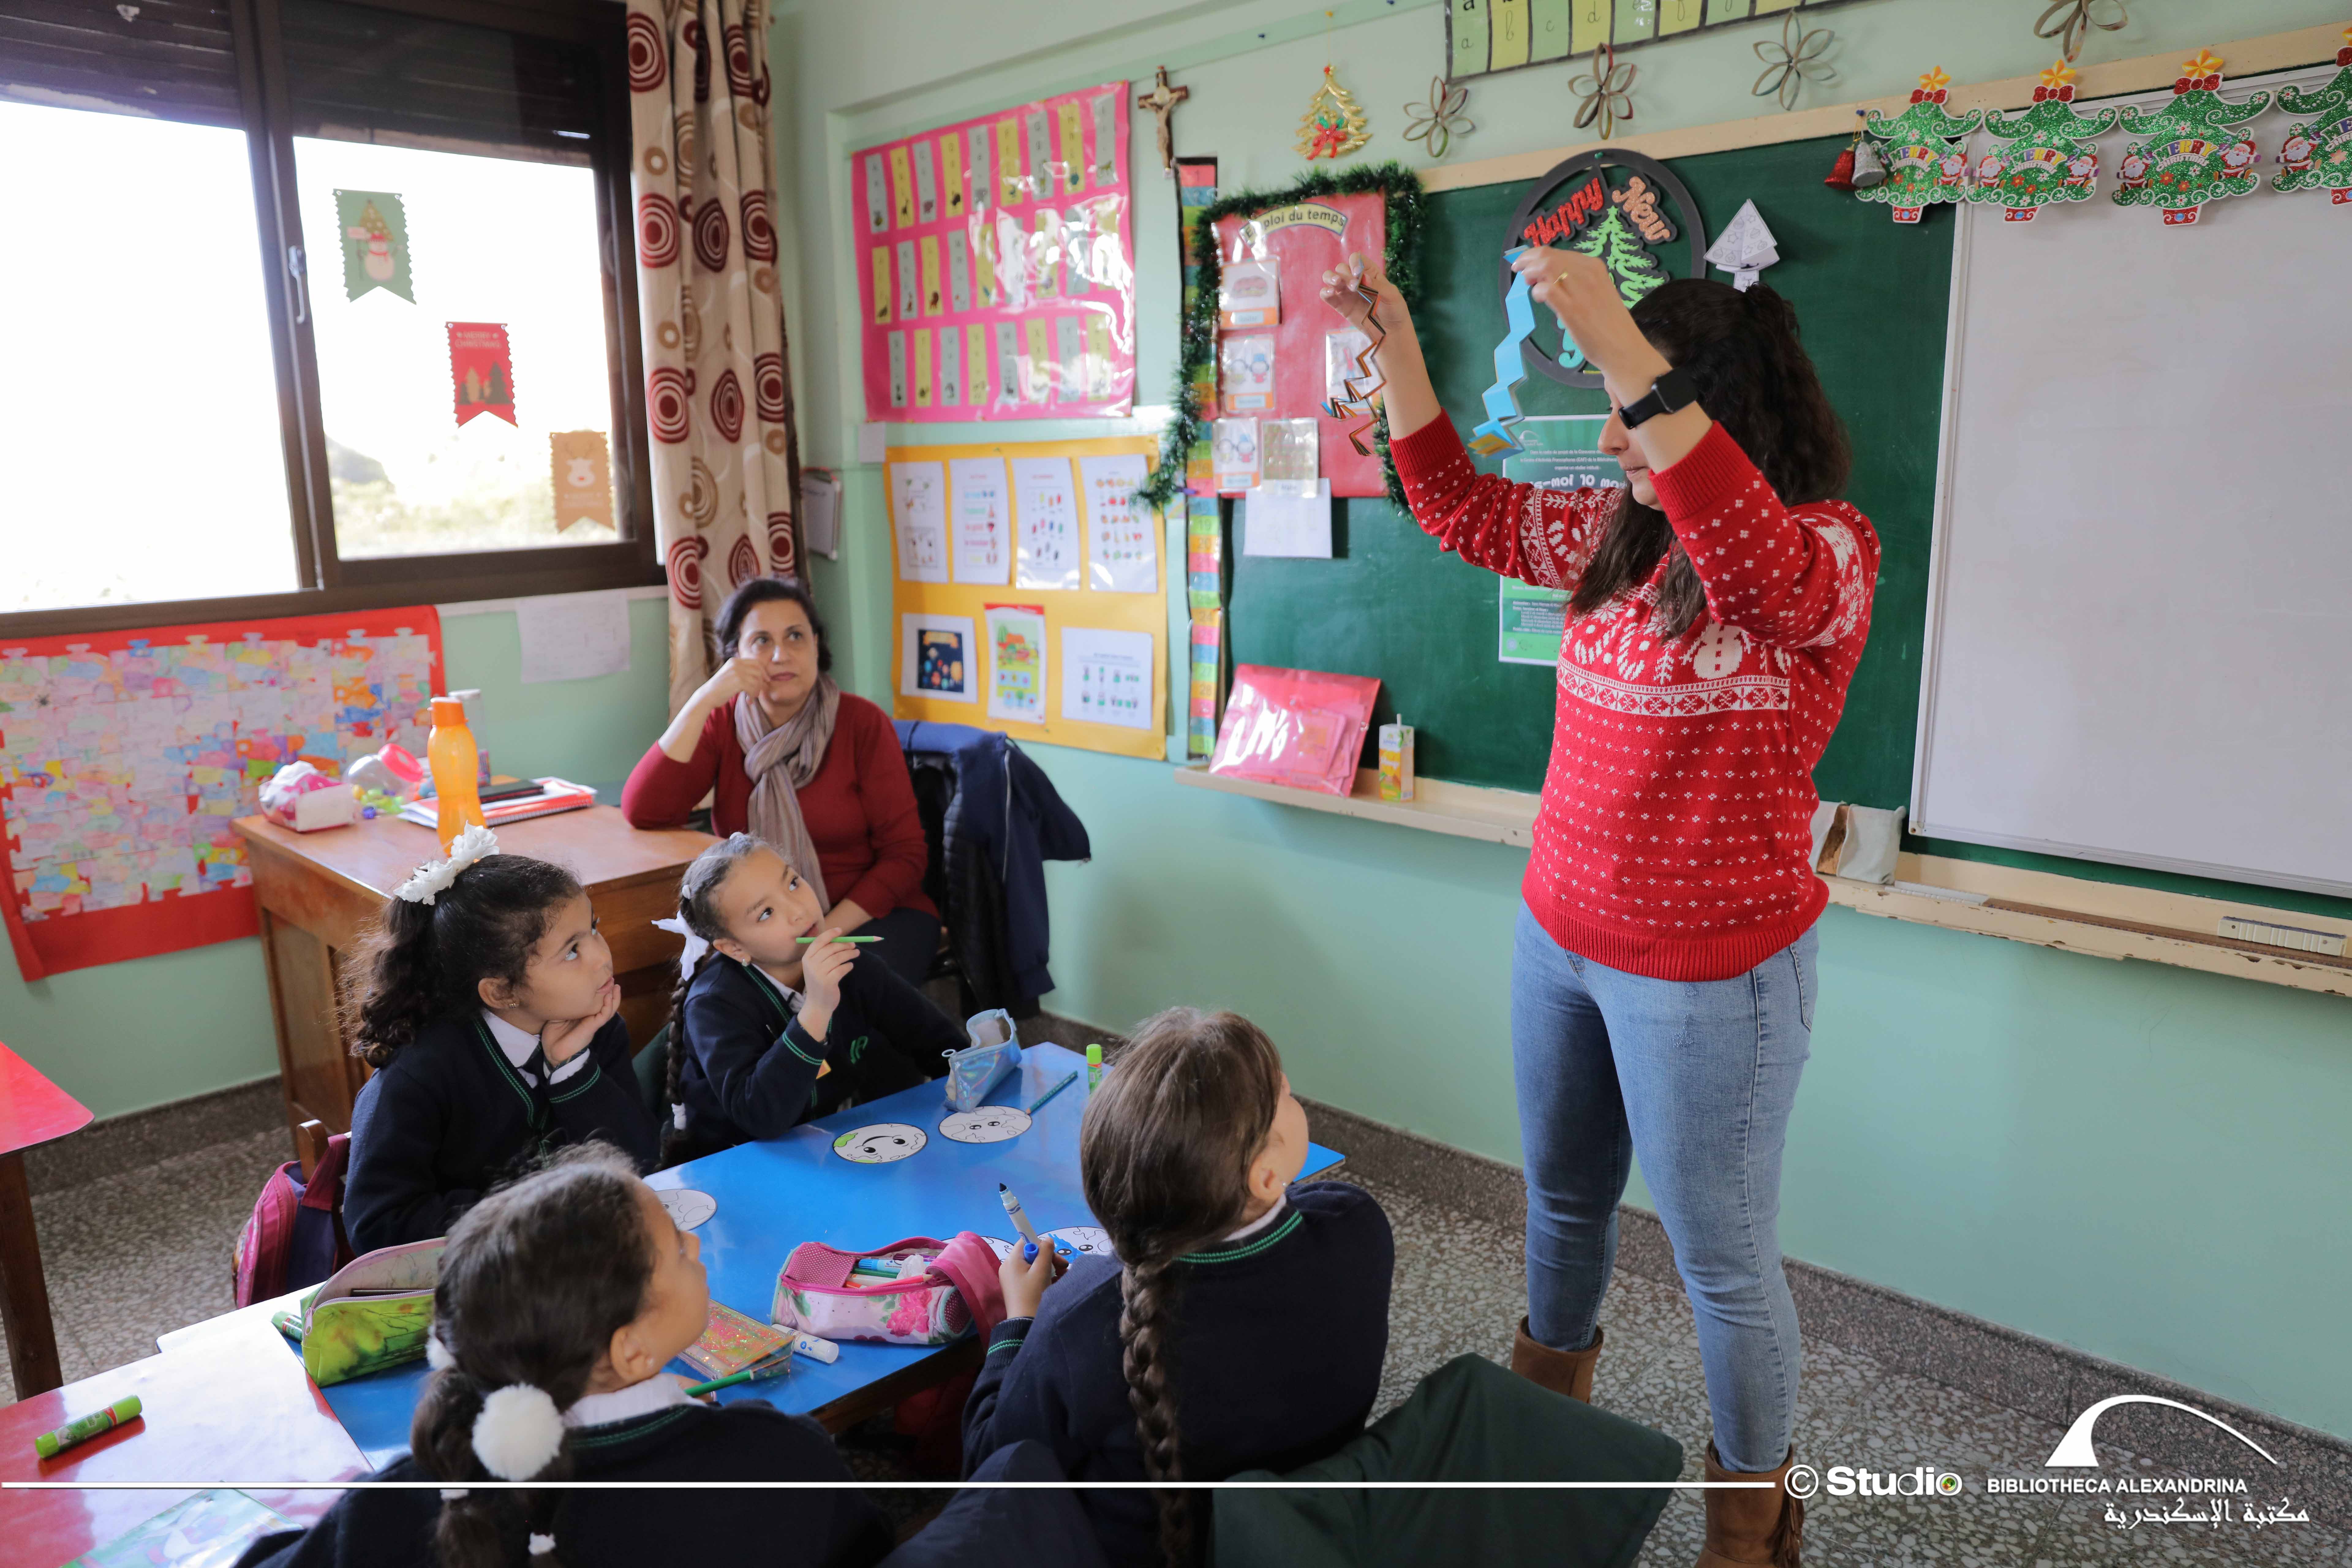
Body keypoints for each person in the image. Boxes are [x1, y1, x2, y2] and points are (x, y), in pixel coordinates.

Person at [1322, 247, 1876, 1568]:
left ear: (1716, 407)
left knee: (1720, 1263)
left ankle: (1748, 1532)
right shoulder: (1617, 531)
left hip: (1713, 975)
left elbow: (1747, 565)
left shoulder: (1822, 550)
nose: (1612, 438)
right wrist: (1398, 346)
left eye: (1631, 408)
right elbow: (1457, 504)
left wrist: (1625, 342)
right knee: (1563, 1203)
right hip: (1558, 939)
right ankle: (1540, 1447)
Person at [233, 1145, 1107, 1568]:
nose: (697, 1250)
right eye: (677, 1250)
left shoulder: (411, 1498)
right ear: (631, 1350)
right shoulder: (775, 1460)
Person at [961, 1008, 1394, 1567]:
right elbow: (1300, 1211)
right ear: (1266, 1177)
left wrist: (1018, 1323)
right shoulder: (1357, 1226)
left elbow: (990, 1470)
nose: (1293, 1093)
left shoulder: (1080, 1321)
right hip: (1311, 1530)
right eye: (1285, 1093)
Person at [342, 827, 657, 1253]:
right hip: (478, 1278)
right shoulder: (420, 1073)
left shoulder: (596, 1029)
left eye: (594, 929)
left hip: (577, 1262)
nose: (603, 955)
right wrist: (539, 1216)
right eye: (571, 951)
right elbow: (377, 1225)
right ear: (502, 991)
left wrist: (573, 1072)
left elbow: (639, 1162)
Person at [623, 577, 939, 994]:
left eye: (795, 636)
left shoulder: (862, 723)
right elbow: (645, 810)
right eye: (762, 641)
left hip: (870, 917)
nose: (780, 654)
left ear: (816, 645)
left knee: (841, 999)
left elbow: (905, 856)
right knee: (715, 1004)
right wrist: (703, 700)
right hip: (762, 931)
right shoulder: (723, 723)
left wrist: (819, 933)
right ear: (735, 656)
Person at [660, 832, 961, 1160]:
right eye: (766, 913)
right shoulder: (713, 1005)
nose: (799, 910)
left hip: (823, 1148)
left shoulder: (853, 967)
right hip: (736, 1162)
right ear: (734, 948)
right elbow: (761, 1118)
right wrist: (817, 1009)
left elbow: (942, 1046)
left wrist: (973, 1071)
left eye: (793, 883)